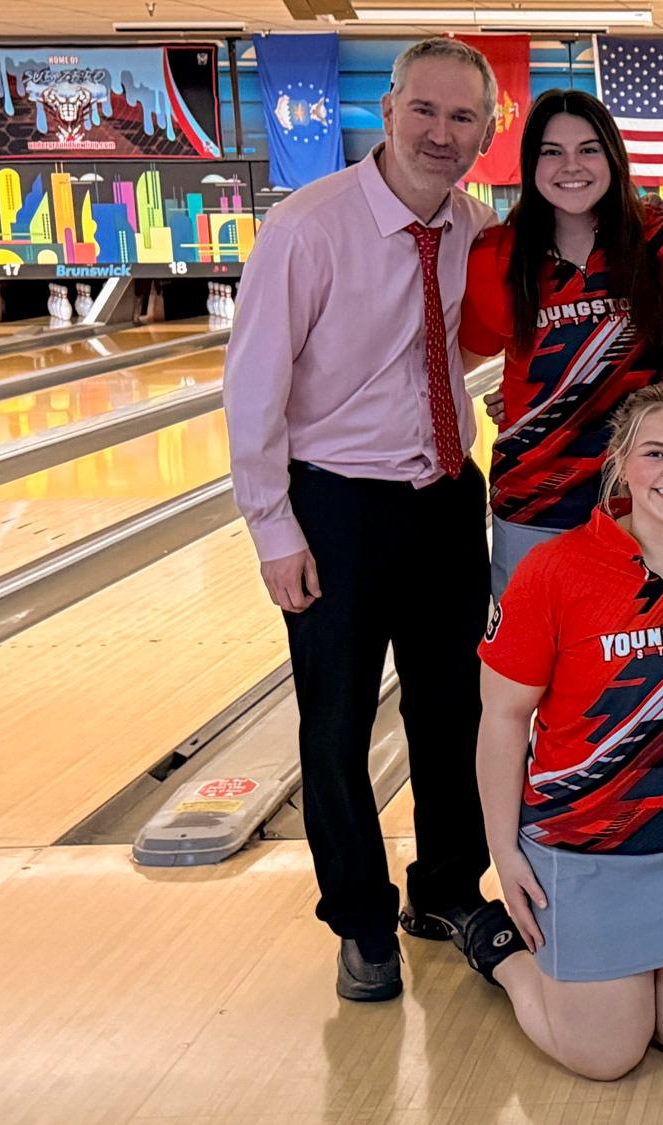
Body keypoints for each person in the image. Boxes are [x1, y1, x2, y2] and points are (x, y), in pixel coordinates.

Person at [223, 37, 499, 1002]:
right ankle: (361, 920)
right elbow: (252, 387)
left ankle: (448, 891)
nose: (440, 132)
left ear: (485, 134)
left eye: (462, 117)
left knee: (453, 709)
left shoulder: (471, 226)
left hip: (447, 500)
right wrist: (272, 526)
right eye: (423, 110)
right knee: (336, 722)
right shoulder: (307, 228)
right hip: (334, 505)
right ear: (386, 112)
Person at [464, 383, 663, 1079]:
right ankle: (502, 955)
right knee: (606, 1055)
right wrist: (504, 852)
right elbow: (502, 718)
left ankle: (621, 978)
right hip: (586, 848)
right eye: (654, 453)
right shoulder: (553, 570)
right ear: (622, 464)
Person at [459, 89, 663, 594]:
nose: (572, 165)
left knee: (635, 661)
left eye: (588, 149)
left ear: (613, 155)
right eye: (552, 151)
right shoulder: (496, 256)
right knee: (532, 666)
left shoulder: (662, 242)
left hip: (643, 499)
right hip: (533, 501)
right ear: (531, 162)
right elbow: (471, 352)